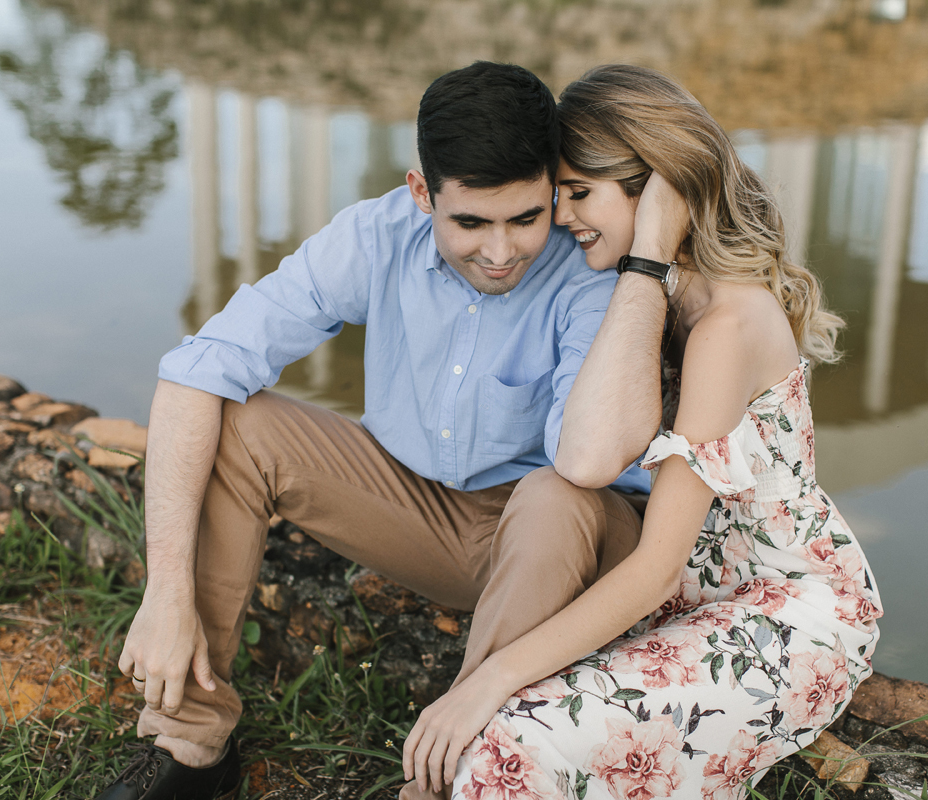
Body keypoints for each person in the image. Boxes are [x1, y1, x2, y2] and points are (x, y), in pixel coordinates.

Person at [97, 61, 653, 800]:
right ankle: (191, 744)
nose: (501, 253)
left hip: (571, 540)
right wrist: (166, 593)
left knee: (557, 495)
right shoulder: (378, 234)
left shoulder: (590, 267)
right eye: (470, 223)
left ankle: (457, 775)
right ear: (422, 192)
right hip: (423, 512)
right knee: (236, 423)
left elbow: (588, 461)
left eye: (525, 218)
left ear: (551, 190)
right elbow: (197, 368)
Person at [400, 64, 883, 800]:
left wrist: (492, 679)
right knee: (511, 702)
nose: (562, 217)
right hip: (695, 591)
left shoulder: (725, 325)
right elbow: (581, 461)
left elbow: (657, 567)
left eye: (580, 193)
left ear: (657, 189)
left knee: (511, 736)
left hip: (785, 614)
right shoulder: (654, 301)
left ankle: (439, 765)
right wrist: (646, 264)